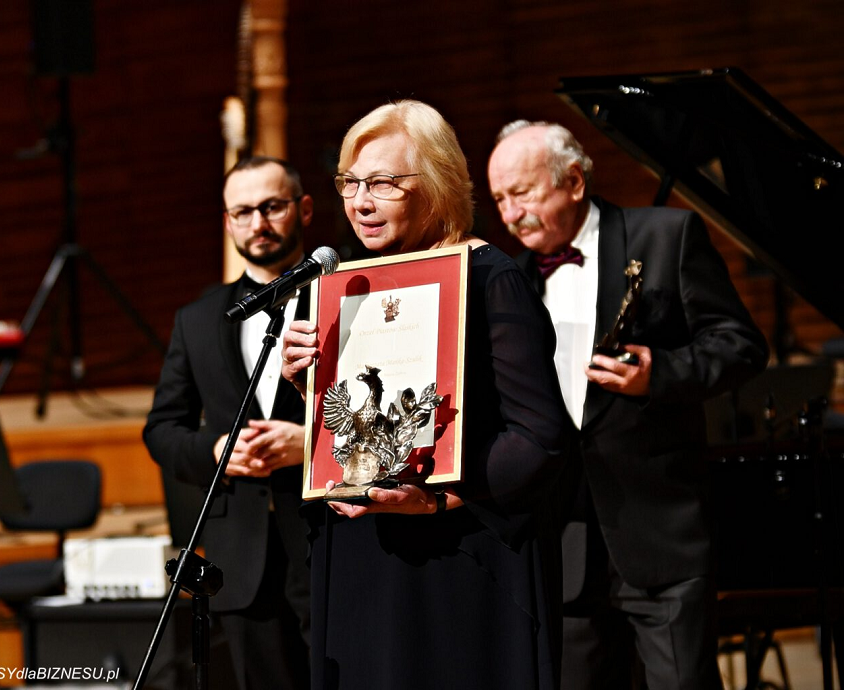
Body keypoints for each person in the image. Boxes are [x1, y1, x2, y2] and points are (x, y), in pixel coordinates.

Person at [281, 101, 570, 690]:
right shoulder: (346, 286)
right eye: (350, 182)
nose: (360, 201)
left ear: (436, 185)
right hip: (364, 559)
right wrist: (302, 384)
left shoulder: (493, 280)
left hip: (462, 568)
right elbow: (341, 440)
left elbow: (540, 438)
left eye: (383, 183)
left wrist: (440, 500)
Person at [487, 120, 770, 690]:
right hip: (561, 541)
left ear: (572, 180)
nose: (510, 214)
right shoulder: (509, 278)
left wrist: (657, 374)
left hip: (659, 531)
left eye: (522, 193)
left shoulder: (667, 237)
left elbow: (740, 346)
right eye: (498, 199)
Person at [143, 156, 313, 690]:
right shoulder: (196, 320)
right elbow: (161, 430)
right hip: (241, 558)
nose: (258, 223)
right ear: (227, 222)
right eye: (243, 212)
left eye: (272, 207)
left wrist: (312, 443)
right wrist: (217, 450)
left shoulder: (356, 293)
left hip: (332, 540)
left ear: (303, 209)